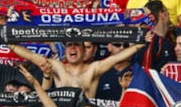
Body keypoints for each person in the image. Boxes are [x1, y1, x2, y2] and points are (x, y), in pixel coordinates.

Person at [9, 41, 145, 99]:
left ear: (83, 49)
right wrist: (8, 43)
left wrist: (139, 45)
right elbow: (31, 56)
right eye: (69, 45)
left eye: (76, 45)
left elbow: (116, 58)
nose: (72, 49)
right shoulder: (58, 67)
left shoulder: (94, 68)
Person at [133, 0, 176, 71]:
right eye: (167, 11)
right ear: (162, 14)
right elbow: (145, 71)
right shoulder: (150, 40)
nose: (169, 15)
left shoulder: (171, 37)